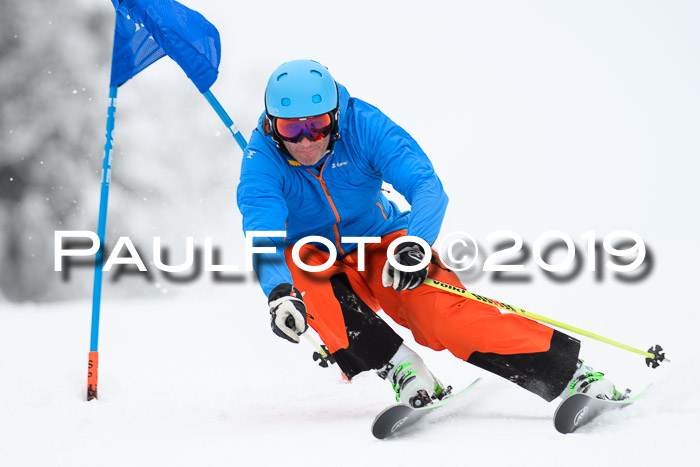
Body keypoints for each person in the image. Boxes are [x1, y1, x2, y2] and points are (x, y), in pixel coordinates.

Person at [237, 59, 625, 408]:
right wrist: (278, 293)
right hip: (315, 255)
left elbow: (425, 185)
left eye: (317, 125)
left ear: (335, 118)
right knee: (300, 274)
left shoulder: (364, 126)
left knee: (441, 315)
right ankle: (402, 369)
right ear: (272, 126)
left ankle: (571, 373)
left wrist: (415, 244)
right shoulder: (262, 161)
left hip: (381, 241)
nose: (306, 140)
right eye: (291, 128)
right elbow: (264, 235)